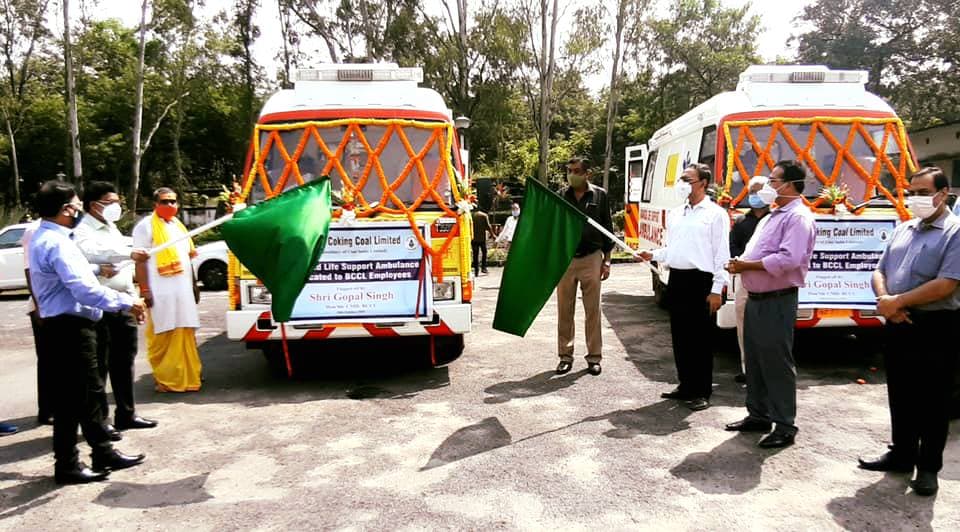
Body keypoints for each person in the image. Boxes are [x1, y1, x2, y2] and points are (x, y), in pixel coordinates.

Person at [28, 180, 147, 485]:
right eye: (77, 204)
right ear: (67, 208)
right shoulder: (56, 243)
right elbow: (83, 290)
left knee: (88, 393)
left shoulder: (49, 237)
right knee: (74, 399)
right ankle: (68, 465)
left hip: (68, 327)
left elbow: (73, 274)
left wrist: (97, 270)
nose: (79, 208)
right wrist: (126, 302)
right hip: (70, 328)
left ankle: (101, 452)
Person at [858, 166, 960, 497]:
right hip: (898, 323)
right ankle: (902, 454)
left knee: (934, 399)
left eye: (921, 192)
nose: (914, 198)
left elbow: (947, 283)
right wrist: (886, 301)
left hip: (935, 326)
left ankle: (928, 468)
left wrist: (896, 301)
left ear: (942, 194)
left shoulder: (955, 232)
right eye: (911, 191)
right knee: (900, 393)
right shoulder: (905, 228)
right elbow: (880, 269)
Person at [725, 160, 816, 449]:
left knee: (776, 363)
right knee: (754, 359)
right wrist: (741, 264)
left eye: (773, 181)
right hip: (756, 298)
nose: (768, 187)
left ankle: (785, 424)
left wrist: (747, 265)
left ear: (789, 185)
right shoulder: (772, 216)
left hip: (777, 300)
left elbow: (788, 259)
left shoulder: (798, 218)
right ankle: (758, 414)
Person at [638, 163, 730, 411]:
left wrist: (717, 289)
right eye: (681, 178)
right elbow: (674, 249)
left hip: (701, 281)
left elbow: (722, 255)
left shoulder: (715, 214)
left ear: (703, 183)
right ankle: (685, 385)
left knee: (700, 339)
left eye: (687, 179)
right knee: (680, 336)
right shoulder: (677, 213)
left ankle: (702, 390)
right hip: (677, 278)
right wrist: (653, 254)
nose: (682, 183)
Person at [76, 181, 157, 433]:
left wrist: (136, 296)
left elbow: (127, 258)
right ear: (94, 205)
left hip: (124, 302)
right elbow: (92, 252)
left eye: (117, 203)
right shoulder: (82, 230)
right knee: (99, 365)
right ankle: (101, 421)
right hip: (100, 304)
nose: (116, 207)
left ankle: (127, 414)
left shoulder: (112, 228)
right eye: (111, 203)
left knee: (124, 361)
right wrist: (129, 253)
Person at [133, 187, 202, 392]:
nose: (170, 205)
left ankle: (188, 376)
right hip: (160, 292)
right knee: (164, 333)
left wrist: (194, 286)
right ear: (155, 204)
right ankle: (168, 379)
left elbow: (187, 260)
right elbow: (140, 261)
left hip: (183, 291)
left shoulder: (178, 226)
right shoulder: (145, 227)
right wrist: (145, 291)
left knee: (185, 329)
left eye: (173, 201)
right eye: (165, 202)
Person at [556, 157, 614, 377]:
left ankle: (594, 357)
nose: (572, 174)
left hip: (592, 259)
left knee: (593, 311)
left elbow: (608, 229)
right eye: (569, 170)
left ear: (587, 174)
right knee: (565, 310)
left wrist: (607, 260)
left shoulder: (600, 195)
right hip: (566, 260)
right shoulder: (561, 196)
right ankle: (565, 356)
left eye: (576, 171)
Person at [730, 176, 771, 383]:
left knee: (767, 330)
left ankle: (766, 371)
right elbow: (733, 246)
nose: (755, 196)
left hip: (770, 281)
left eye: (759, 191)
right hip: (745, 281)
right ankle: (747, 369)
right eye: (751, 192)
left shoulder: (776, 220)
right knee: (743, 326)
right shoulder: (741, 222)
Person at [22, 219, 54, 425]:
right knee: (49, 360)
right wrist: (40, 305)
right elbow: (29, 270)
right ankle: (47, 410)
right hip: (44, 306)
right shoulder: (35, 230)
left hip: (64, 306)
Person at [471, 204, 495, 275]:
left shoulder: (470, 216)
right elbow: (488, 226)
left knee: (475, 254)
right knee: (484, 252)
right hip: (482, 238)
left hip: (473, 238)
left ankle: (476, 270)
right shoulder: (484, 215)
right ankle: (483, 267)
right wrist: (492, 234)